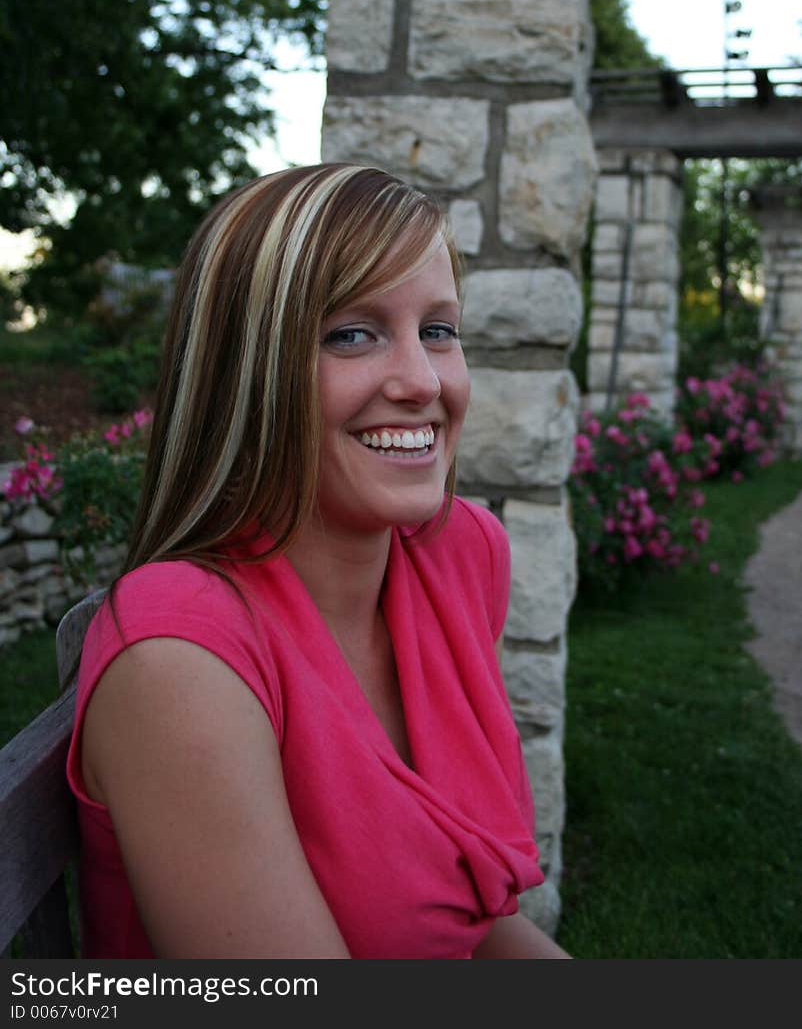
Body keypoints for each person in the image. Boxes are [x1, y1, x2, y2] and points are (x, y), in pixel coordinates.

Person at [67, 162, 570, 959]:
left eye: (438, 329)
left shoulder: (461, 557)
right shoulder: (181, 661)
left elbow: (478, 933)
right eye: (352, 334)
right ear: (245, 374)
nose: (421, 381)